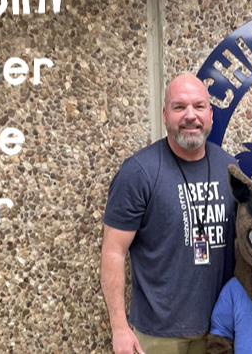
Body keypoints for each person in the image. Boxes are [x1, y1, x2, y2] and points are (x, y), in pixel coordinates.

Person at [100, 74, 237, 354]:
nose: (190, 116)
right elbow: (113, 252)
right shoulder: (139, 172)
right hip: (157, 335)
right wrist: (119, 328)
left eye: (199, 106)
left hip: (218, 330)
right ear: (165, 114)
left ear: (210, 114)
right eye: (179, 107)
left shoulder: (229, 168)